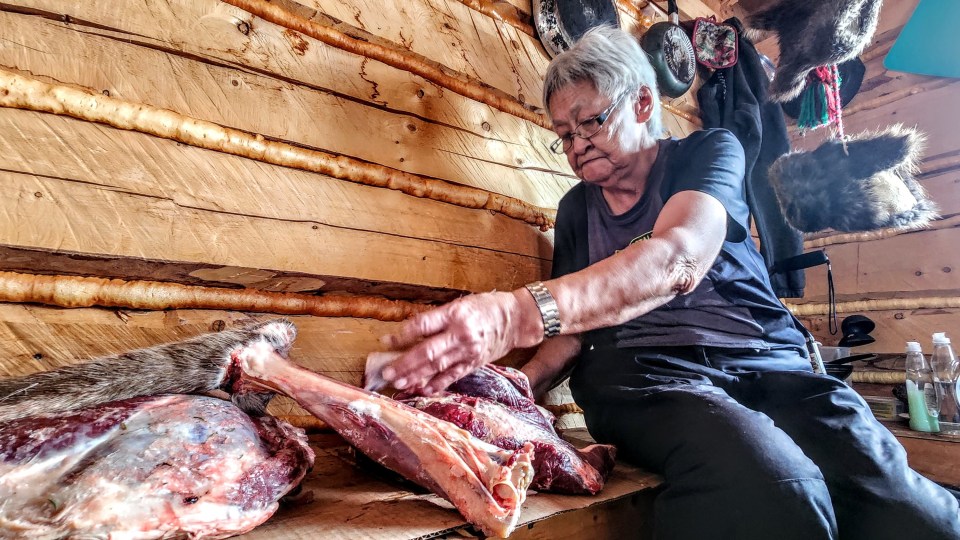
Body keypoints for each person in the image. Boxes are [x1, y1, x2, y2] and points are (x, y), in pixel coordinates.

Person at [376, 26, 960, 539]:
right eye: (564, 134)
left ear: (644, 102)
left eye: (590, 122)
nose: (577, 145)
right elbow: (574, 329)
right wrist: (518, 388)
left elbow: (679, 256)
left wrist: (510, 314)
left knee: (908, 510)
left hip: (769, 363)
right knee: (773, 486)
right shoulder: (578, 208)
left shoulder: (709, 151)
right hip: (648, 376)